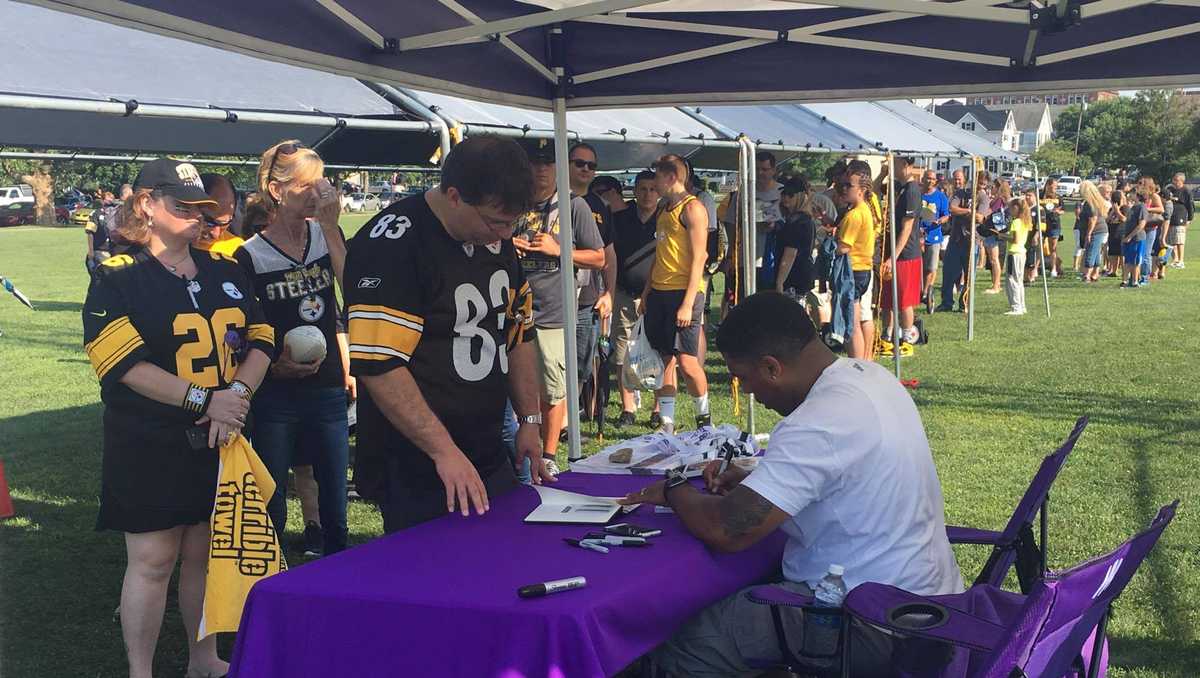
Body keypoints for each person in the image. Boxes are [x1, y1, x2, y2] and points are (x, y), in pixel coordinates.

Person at [619, 292, 963, 677]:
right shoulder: (869, 377)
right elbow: (847, 480)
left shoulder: (817, 419)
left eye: (744, 379)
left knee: (683, 642)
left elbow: (727, 529)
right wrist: (757, 481)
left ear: (771, 368)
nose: (748, 392)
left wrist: (674, 488)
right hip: (925, 602)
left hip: (869, 620)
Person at [83, 159, 274, 678]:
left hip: (220, 437)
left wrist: (235, 395)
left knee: (203, 556)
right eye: (181, 206)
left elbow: (261, 340)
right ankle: (140, 672)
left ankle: (202, 658)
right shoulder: (117, 276)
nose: (197, 217)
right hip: (149, 440)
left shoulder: (227, 270)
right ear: (146, 205)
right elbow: (121, 365)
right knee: (151, 561)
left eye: (202, 208)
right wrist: (204, 400)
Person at [345, 136, 550, 533]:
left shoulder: (493, 236)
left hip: (485, 447)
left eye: (513, 223)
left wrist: (528, 418)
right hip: (415, 461)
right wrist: (444, 452)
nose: (505, 236)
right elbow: (379, 364)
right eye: (496, 221)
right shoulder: (394, 243)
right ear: (454, 196)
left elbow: (518, 331)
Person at [233, 141, 350, 556]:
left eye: (320, 182)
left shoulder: (324, 234)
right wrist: (275, 367)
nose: (318, 193)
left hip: (328, 385)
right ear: (277, 190)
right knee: (273, 493)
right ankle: (271, 570)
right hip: (276, 390)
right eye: (305, 184)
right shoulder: (249, 255)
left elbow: (351, 290)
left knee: (335, 490)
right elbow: (245, 327)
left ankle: (339, 571)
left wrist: (333, 228)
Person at [513, 139, 605, 472]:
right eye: (535, 163)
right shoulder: (515, 204)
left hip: (553, 311)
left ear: (559, 168)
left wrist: (556, 249)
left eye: (548, 163)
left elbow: (598, 257)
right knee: (518, 388)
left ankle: (549, 457)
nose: (541, 169)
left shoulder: (573, 206)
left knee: (552, 390)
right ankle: (525, 451)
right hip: (514, 311)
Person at [640, 155, 711, 433]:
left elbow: (699, 258)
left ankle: (704, 419)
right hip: (659, 291)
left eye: (657, 177)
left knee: (687, 361)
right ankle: (667, 423)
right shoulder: (663, 209)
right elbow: (659, 254)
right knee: (664, 358)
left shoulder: (693, 209)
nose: (654, 183)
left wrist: (687, 303)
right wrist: (646, 292)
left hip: (684, 292)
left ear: (671, 177)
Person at [567, 143, 615, 418]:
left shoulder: (600, 206)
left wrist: (609, 291)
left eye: (591, 165)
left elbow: (609, 253)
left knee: (582, 363)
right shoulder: (555, 200)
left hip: (588, 297)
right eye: (579, 163)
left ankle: (570, 417)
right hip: (555, 298)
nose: (586, 169)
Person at [609, 170, 660, 428]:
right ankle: (628, 408)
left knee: (660, 352)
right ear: (634, 191)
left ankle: (658, 409)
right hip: (624, 293)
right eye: (642, 189)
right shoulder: (620, 218)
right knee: (621, 353)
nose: (647, 194)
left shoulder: (667, 219)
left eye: (653, 189)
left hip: (658, 295)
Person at [878, 157, 923, 358]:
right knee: (887, 299)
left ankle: (907, 339)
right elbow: (875, 188)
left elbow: (907, 228)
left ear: (905, 164)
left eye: (895, 163)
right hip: (891, 252)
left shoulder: (912, 191)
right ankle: (887, 337)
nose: (892, 166)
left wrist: (893, 257)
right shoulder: (898, 186)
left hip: (905, 254)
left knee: (904, 299)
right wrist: (884, 172)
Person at [835, 170, 879, 359]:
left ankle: (858, 364)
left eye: (849, 186)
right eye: (842, 185)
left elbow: (844, 247)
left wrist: (828, 247)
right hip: (862, 271)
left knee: (851, 323)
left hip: (853, 271)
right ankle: (861, 362)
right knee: (856, 319)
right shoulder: (864, 210)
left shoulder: (855, 215)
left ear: (861, 190)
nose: (843, 189)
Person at [774, 178, 816, 301]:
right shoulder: (805, 219)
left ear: (800, 196)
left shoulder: (797, 221)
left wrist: (779, 282)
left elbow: (790, 253)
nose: (786, 197)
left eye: (790, 194)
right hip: (802, 276)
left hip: (793, 278)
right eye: (784, 193)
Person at [937, 169, 973, 313]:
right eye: (955, 179)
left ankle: (964, 304)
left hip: (970, 240)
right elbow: (952, 209)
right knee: (948, 272)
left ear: (965, 180)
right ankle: (946, 303)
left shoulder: (975, 195)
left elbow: (981, 216)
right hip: (955, 239)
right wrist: (968, 211)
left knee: (968, 274)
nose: (957, 181)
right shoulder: (956, 195)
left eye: (959, 179)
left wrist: (963, 211)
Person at [919, 169, 950, 313]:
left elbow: (946, 215)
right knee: (919, 266)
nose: (929, 181)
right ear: (923, 179)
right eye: (927, 178)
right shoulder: (918, 194)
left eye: (932, 179)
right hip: (917, 236)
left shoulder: (941, 197)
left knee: (930, 267)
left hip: (934, 235)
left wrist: (940, 221)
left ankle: (926, 292)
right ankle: (919, 291)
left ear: (935, 181)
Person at [85, 184, 133, 272]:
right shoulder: (96, 213)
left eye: (111, 198)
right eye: (107, 199)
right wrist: (91, 251)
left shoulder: (121, 209)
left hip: (113, 250)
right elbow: (90, 232)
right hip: (100, 250)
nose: (110, 201)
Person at [196, 174, 245, 256]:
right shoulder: (172, 244)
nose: (216, 234)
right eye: (209, 221)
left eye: (224, 223)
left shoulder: (238, 249)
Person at [1002, 198, 1032, 316]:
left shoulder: (1016, 222)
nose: (1009, 211)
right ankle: (1021, 305)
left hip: (1014, 253)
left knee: (1012, 280)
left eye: (1010, 208)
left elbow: (1015, 239)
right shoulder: (1025, 221)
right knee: (1019, 280)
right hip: (1021, 253)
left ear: (1016, 208)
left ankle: (1016, 307)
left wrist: (1002, 236)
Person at [1078, 181, 1111, 283]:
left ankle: (1087, 274)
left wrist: (1088, 233)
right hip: (1101, 229)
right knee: (1096, 252)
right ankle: (1095, 274)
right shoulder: (1095, 201)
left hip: (1096, 231)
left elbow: (1093, 218)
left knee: (1091, 251)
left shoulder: (1089, 203)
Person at [982, 178, 1009, 294]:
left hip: (993, 233)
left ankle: (996, 285)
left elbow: (988, 212)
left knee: (994, 259)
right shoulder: (999, 200)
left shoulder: (998, 201)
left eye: (992, 187)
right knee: (993, 259)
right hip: (993, 232)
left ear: (998, 188)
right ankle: (996, 283)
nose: (991, 188)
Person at [1139, 177, 1166, 284]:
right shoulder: (1142, 196)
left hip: (1150, 228)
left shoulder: (1154, 196)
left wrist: (1147, 209)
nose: (1139, 185)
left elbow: (1161, 209)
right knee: (1140, 252)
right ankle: (1138, 274)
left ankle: (1145, 276)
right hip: (1140, 227)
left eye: (1141, 183)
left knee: (1146, 253)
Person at [1121, 186, 1149, 288]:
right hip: (1129, 237)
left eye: (1132, 193)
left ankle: (1135, 281)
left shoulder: (1142, 207)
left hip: (1137, 238)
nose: (1130, 195)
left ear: (1137, 194)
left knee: (1136, 261)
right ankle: (1124, 281)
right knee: (1128, 259)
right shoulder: (1133, 207)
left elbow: (1141, 225)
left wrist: (1130, 236)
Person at [1165, 172, 1192, 268]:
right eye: (1173, 180)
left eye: (1176, 180)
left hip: (1180, 218)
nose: (1174, 182)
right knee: (1172, 240)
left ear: (1181, 181)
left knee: (1179, 240)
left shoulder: (1186, 191)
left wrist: (1189, 219)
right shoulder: (1170, 189)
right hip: (1171, 218)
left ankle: (1181, 261)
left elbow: (1190, 206)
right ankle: (1175, 260)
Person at [1040, 179, 1064, 278]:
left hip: (1054, 225)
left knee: (1053, 248)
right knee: (1039, 247)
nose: (1055, 188)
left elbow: (1063, 210)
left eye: (1056, 186)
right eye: (1054, 186)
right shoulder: (1040, 195)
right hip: (1041, 224)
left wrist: (1058, 212)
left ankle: (1053, 269)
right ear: (1048, 185)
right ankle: (1036, 269)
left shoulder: (1058, 197)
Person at [1105, 182, 1128, 277]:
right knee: (1113, 254)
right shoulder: (1111, 209)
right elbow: (1107, 220)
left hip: (1122, 234)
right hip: (1112, 234)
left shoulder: (1125, 208)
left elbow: (1124, 219)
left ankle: (1124, 272)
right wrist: (1113, 211)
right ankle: (1114, 271)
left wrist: (1118, 211)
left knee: (1122, 254)